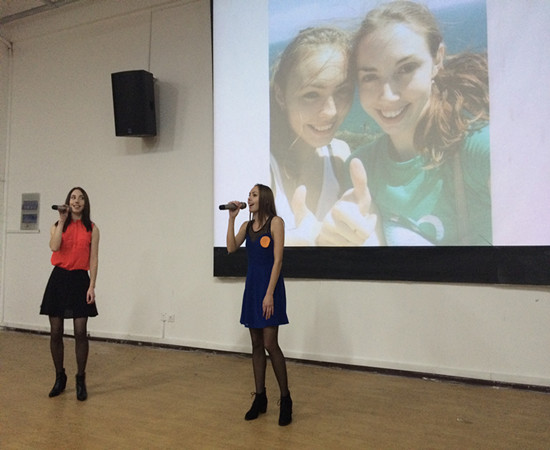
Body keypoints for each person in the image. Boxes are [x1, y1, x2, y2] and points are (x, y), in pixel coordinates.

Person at [319, 0, 491, 246]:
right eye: (370, 77)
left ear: (437, 59)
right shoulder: (361, 168)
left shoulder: (479, 148)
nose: (388, 96)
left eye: (405, 69)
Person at [270, 26, 355, 245]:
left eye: (342, 91)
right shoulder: (259, 165)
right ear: (280, 95)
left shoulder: (340, 155)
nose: (331, 112)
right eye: (311, 94)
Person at [226, 184, 292, 426]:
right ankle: (260, 397)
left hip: (270, 289)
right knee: (255, 344)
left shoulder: (276, 223)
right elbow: (231, 248)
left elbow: (278, 260)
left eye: (253, 195)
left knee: (270, 344)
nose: (249, 198)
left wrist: (269, 294)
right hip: (253, 289)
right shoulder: (246, 226)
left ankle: (285, 399)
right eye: (249, 195)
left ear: (263, 199)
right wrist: (232, 218)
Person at [40, 187, 100, 401]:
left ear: (85, 203)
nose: (77, 201)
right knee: (56, 331)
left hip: (80, 280)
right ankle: (60, 376)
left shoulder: (92, 228)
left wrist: (92, 286)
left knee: (80, 331)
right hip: (59, 279)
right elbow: (54, 247)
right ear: (68, 201)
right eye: (73, 197)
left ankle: (80, 378)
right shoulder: (57, 225)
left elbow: (94, 259)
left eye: (81, 198)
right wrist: (62, 220)